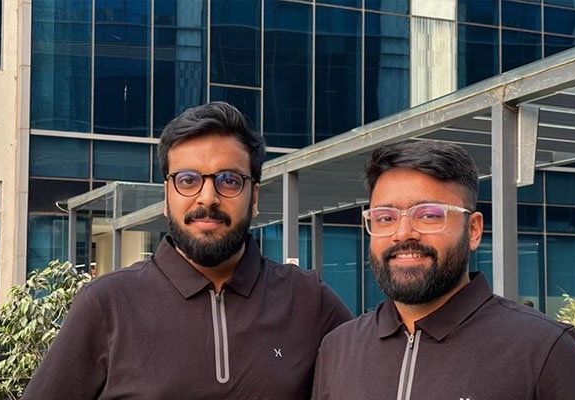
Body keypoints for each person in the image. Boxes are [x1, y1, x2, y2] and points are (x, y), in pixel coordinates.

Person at [22, 102, 352, 399]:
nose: (208, 198)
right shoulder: (107, 303)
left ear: (253, 197)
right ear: (166, 196)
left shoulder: (308, 300)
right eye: (188, 180)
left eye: (229, 180)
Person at [311, 140, 575, 400]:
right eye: (385, 218)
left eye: (428, 215)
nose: (403, 233)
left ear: (473, 229)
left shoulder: (543, 349)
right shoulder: (339, 348)